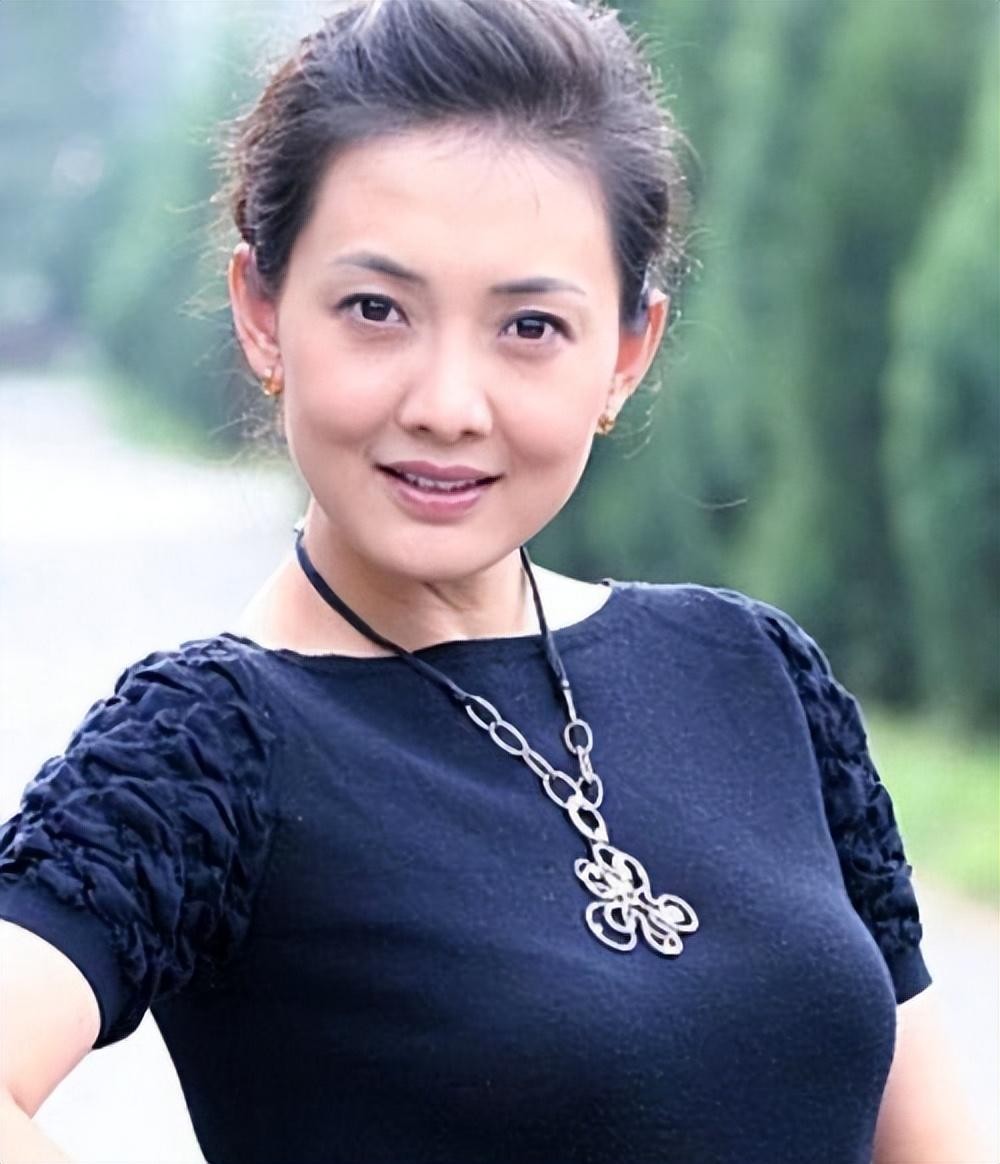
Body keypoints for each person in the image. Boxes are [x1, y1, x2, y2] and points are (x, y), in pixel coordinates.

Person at [0, 1, 981, 1162]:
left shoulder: (757, 674)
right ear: (263, 315)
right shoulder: (208, 752)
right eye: (376, 311)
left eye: (529, 326)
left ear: (626, 352)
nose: (447, 405)